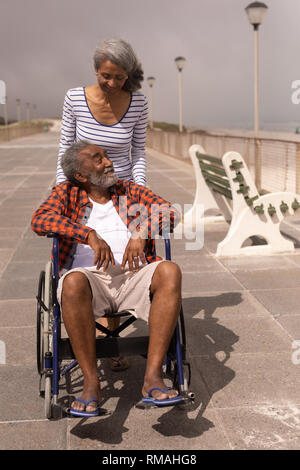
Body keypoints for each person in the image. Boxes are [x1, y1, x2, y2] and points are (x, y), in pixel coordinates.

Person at [32, 141, 183, 417]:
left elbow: (170, 212)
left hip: (134, 274)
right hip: (89, 280)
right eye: (98, 159)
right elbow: (40, 220)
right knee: (73, 281)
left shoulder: (127, 190)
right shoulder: (66, 193)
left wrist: (143, 231)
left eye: (106, 156)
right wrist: (86, 233)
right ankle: (91, 383)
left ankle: (152, 378)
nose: (108, 162)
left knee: (170, 270)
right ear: (80, 175)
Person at [56, 38, 148, 365]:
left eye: (119, 77)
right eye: (105, 76)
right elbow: (66, 148)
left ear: (128, 75)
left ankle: (112, 335)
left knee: (122, 254)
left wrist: (140, 198)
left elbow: (138, 154)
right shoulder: (75, 99)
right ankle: (92, 334)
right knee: (88, 256)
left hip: (123, 194)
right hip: (84, 190)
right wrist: (61, 192)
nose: (111, 83)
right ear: (97, 69)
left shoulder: (137, 104)